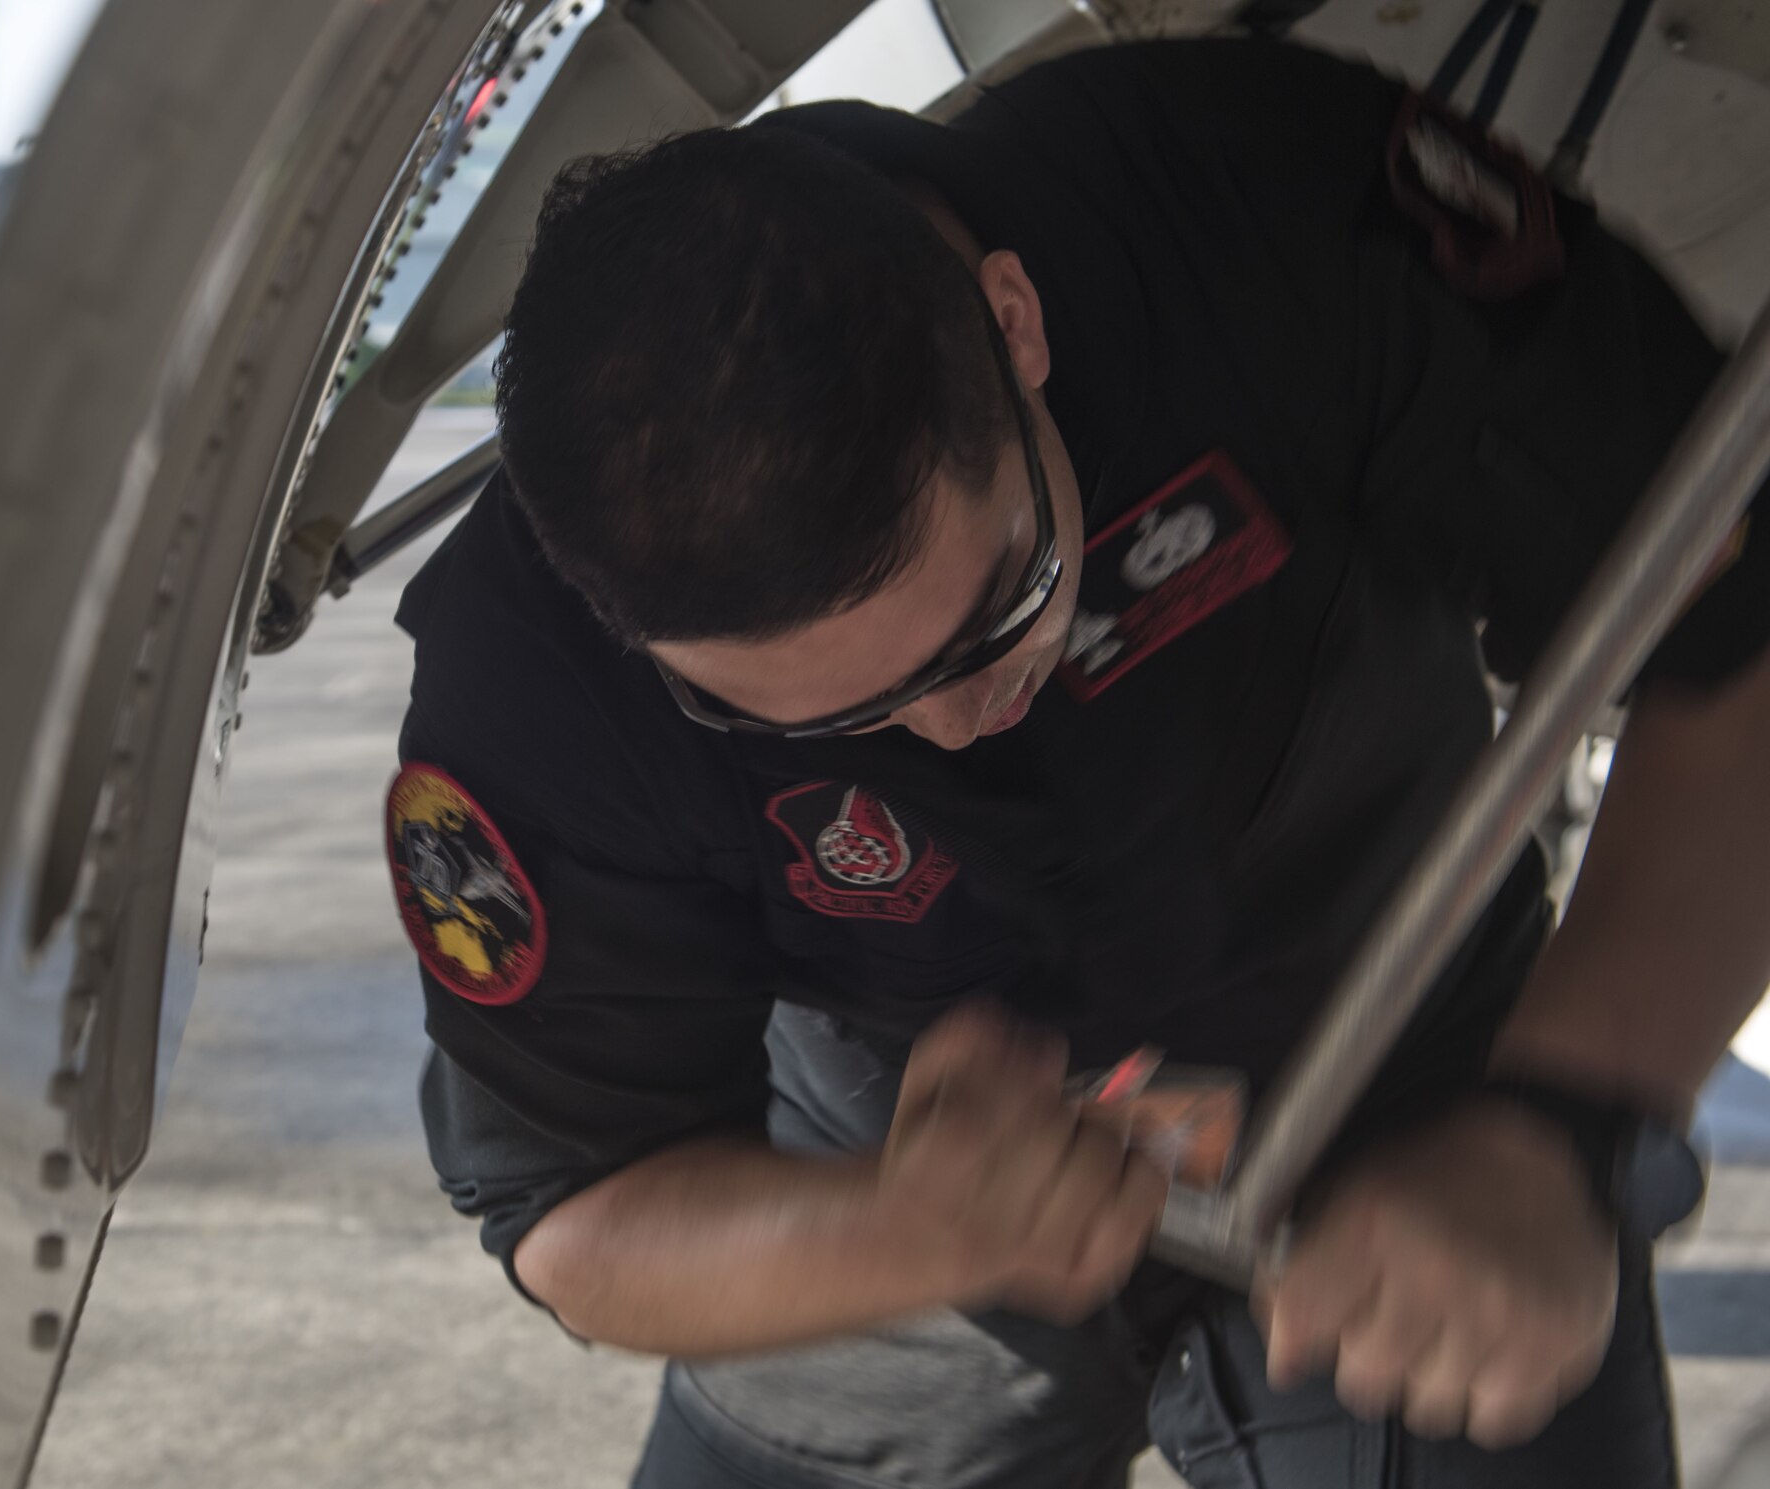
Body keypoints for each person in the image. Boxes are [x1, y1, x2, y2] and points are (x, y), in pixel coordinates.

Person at [385, 34, 1770, 1488]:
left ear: (1016, 321)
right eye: (815, 717)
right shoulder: (528, 684)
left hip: (1411, 1066)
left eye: (998, 610)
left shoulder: (1266, 211)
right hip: (904, 1166)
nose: (952, 720)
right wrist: (908, 1230)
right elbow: (577, 1219)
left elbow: (1736, 636)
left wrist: (1566, 1118)